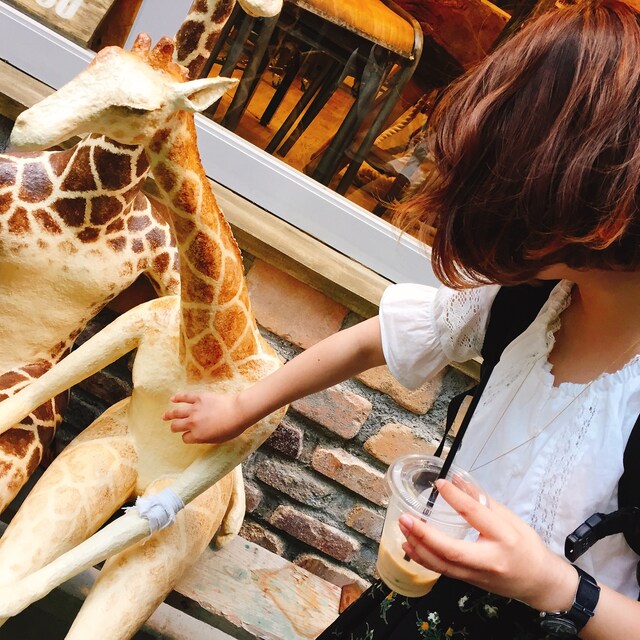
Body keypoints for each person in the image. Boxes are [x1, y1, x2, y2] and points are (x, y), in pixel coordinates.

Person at [163, 1, 640, 637]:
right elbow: (372, 340)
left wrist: (556, 587)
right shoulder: (529, 303)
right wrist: (242, 406)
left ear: (601, 206)